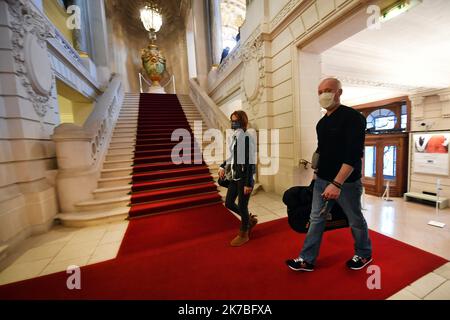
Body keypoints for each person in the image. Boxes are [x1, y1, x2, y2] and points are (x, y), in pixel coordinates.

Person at [286, 77, 373, 271]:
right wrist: (317, 176)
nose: (323, 94)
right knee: (316, 218)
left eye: (328, 90)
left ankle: (364, 253)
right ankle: (307, 259)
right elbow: (321, 151)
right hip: (322, 180)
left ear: (339, 92)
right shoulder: (321, 123)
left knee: (355, 219)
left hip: (346, 183)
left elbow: (353, 155)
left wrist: (337, 184)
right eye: (320, 91)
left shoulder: (353, 117)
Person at [219, 111, 257, 247]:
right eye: (231, 120)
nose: (233, 123)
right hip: (235, 177)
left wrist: (248, 183)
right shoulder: (235, 137)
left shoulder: (247, 138)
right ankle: (248, 221)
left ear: (242, 121)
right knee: (229, 203)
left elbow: (250, 162)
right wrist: (222, 166)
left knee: (242, 205)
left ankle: (244, 234)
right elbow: (231, 157)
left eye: (236, 120)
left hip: (244, 178)